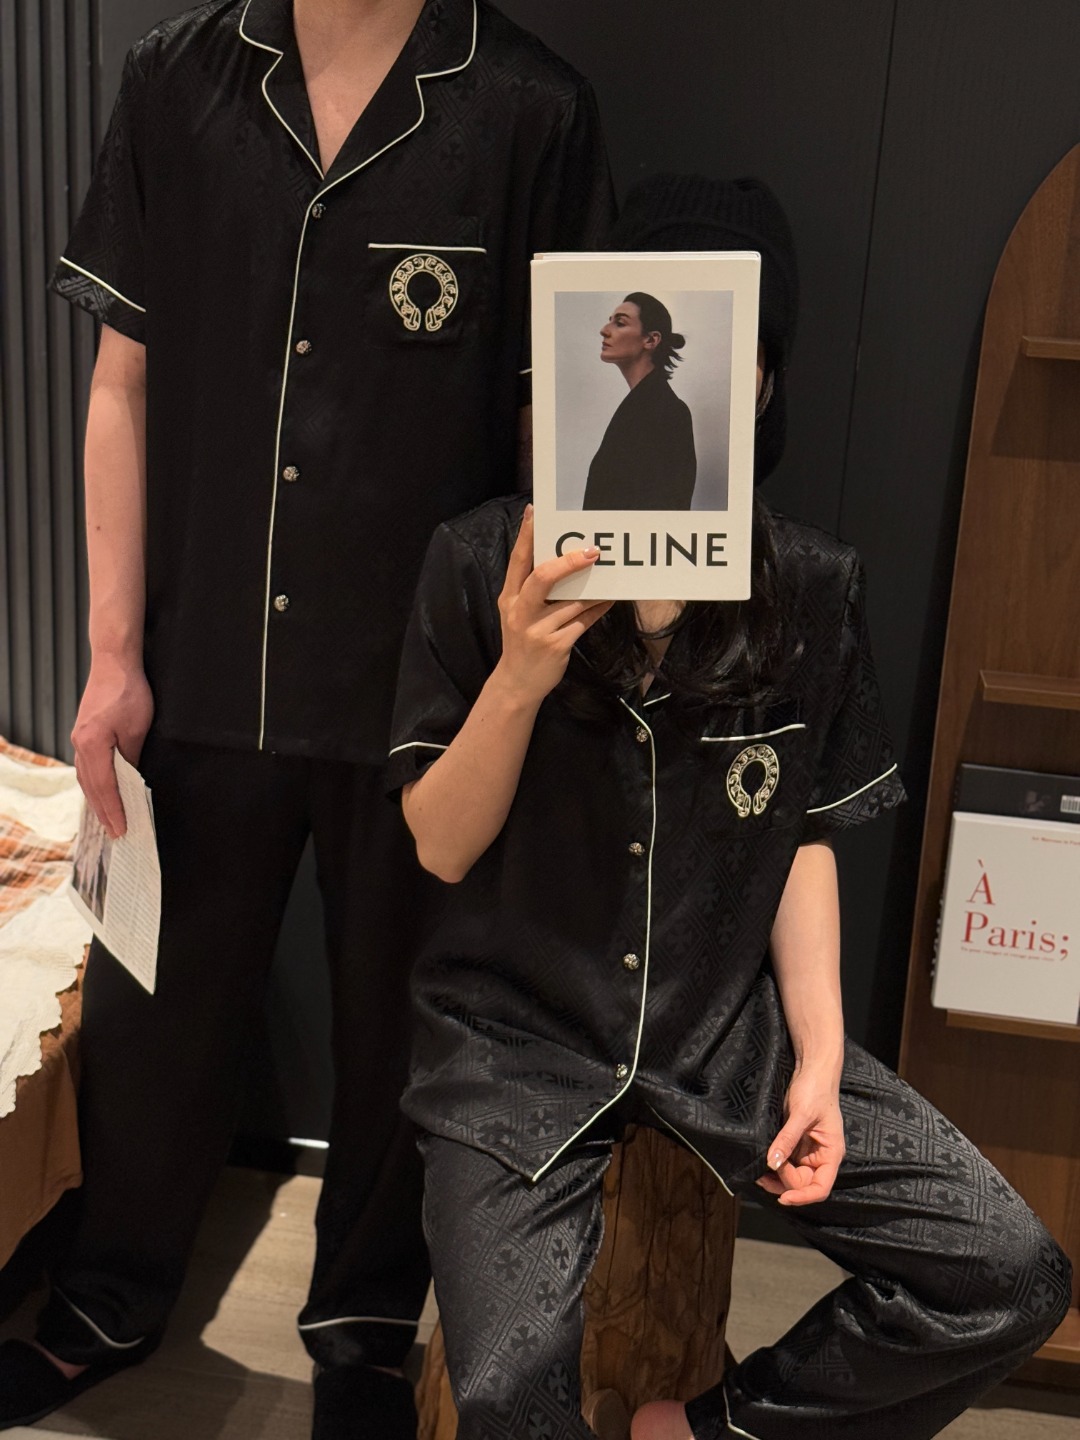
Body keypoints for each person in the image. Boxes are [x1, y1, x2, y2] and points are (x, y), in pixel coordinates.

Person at [0, 2, 613, 1435]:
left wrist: (530, 673)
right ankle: (108, 1299)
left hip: (423, 696)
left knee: (399, 1029)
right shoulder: (176, 81)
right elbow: (122, 379)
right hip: (199, 665)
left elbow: (566, 427)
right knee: (153, 1012)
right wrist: (109, 657)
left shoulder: (530, 109)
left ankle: (361, 1332)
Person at [386, 175, 1071, 1440]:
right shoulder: (481, 561)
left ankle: (715, 1434)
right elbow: (438, 841)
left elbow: (800, 830)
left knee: (1009, 1272)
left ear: (757, 382)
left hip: (721, 1031)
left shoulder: (805, 586)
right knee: (504, 1389)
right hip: (515, 1038)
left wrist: (818, 1054)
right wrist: (521, 675)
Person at [582, 293, 697, 509]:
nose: (604, 330)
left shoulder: (669, 413)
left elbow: (671, 510)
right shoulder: (641, 407)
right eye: (610, 321)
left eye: (620, 323)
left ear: (651, 340)